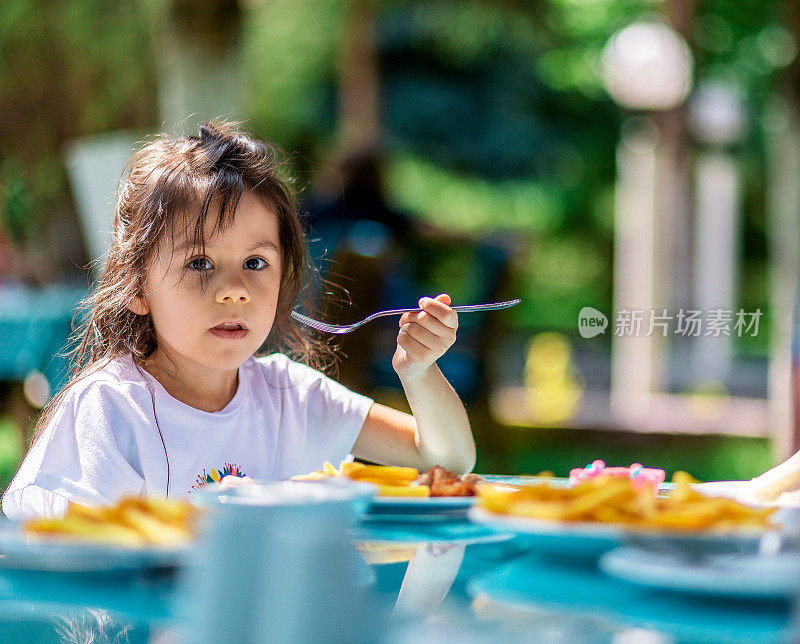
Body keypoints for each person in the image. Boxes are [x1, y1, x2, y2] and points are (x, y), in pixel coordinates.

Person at [1, 121, 475, 520]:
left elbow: (447, 459)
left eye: (255, 263)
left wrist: (418, 371)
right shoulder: (109, 410)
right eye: (200, 263)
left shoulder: (290, 398)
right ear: (137, 285)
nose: (235, 289)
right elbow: (75, 564)